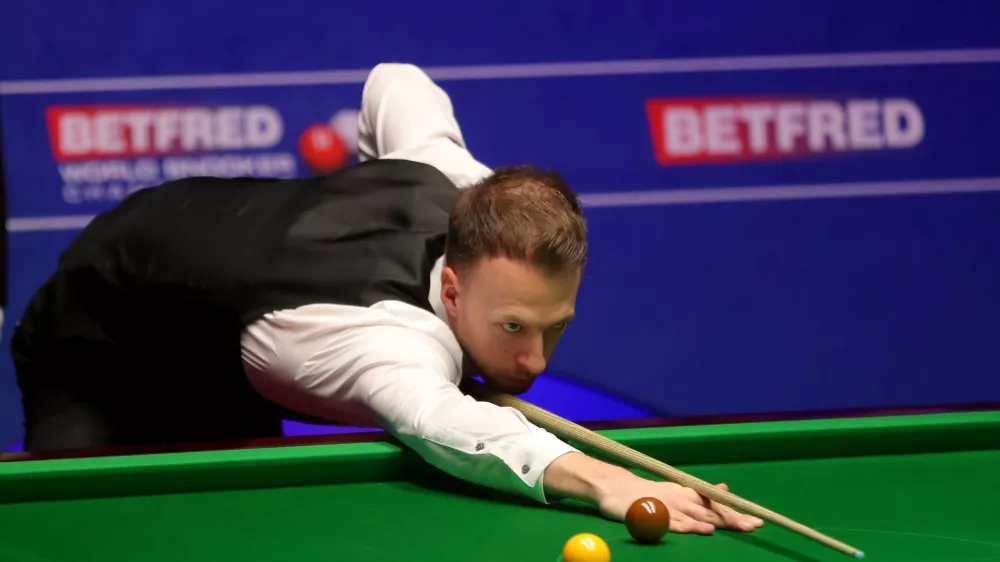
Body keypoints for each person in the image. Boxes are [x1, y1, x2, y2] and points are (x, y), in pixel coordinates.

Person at [11, 63, 763, 534]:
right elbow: (446, 423)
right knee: (78, 535)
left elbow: (396, 80)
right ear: (452, 287)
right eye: (511, 327)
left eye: (553, 327)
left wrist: (366, 180)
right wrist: (607, 478)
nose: (534, 361)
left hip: (219, 342)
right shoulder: (384, 343)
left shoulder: (454, 181)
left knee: (239, 529)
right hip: (98, 337)